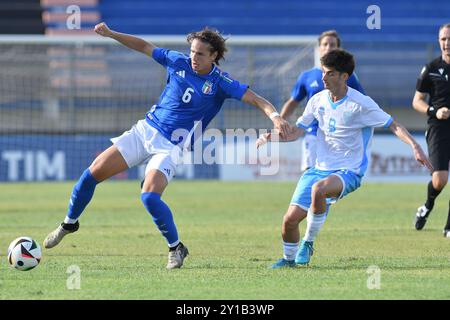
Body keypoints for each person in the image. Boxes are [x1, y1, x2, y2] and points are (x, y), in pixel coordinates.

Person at [43, 22, 291, 269]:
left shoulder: (221, 83)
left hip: (172, 146)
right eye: (192, 51)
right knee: (90, 175)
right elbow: (143, 46)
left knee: (149, 196)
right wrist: (110, 34)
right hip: (145, 131)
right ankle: (69, 223)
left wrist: (276, 117)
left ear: (214, 56)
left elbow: (257, 100)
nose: (194, 57)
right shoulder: (177, 61)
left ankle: (176, 248)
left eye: (200, 54)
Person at [256, 49, 433, 268]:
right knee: (289, 221)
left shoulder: (361, 103)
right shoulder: (317, 100)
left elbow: (393, 125)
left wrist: (415, 146)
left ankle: (308, 243)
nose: (323, 78)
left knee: (318, 190)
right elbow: (297, 131)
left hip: (349, 171)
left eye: (329, 73)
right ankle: (289, 260)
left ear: (344, 76)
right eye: (323, 72)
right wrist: (273, 137)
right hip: (319, 168)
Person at [280, 30, 365, 172]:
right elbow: (293, 102)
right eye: (325, 44)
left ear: (338, 49)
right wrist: (280, 121)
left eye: (332, 45)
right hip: (313, 135)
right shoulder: (307, 76)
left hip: (339, 138)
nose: (328, 48)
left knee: (332, 183)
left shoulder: (347, 76)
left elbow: (361, 102)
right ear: (319, 48)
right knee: (310, 178)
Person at [412, 23, 450, 236]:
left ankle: (449, 228)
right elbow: (416, 101)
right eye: (444, 39)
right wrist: (435, 111)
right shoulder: (431, 69)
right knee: (440, 179)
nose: (447, 43)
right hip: (438, 127)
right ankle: (427, 205)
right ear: (439, 41)